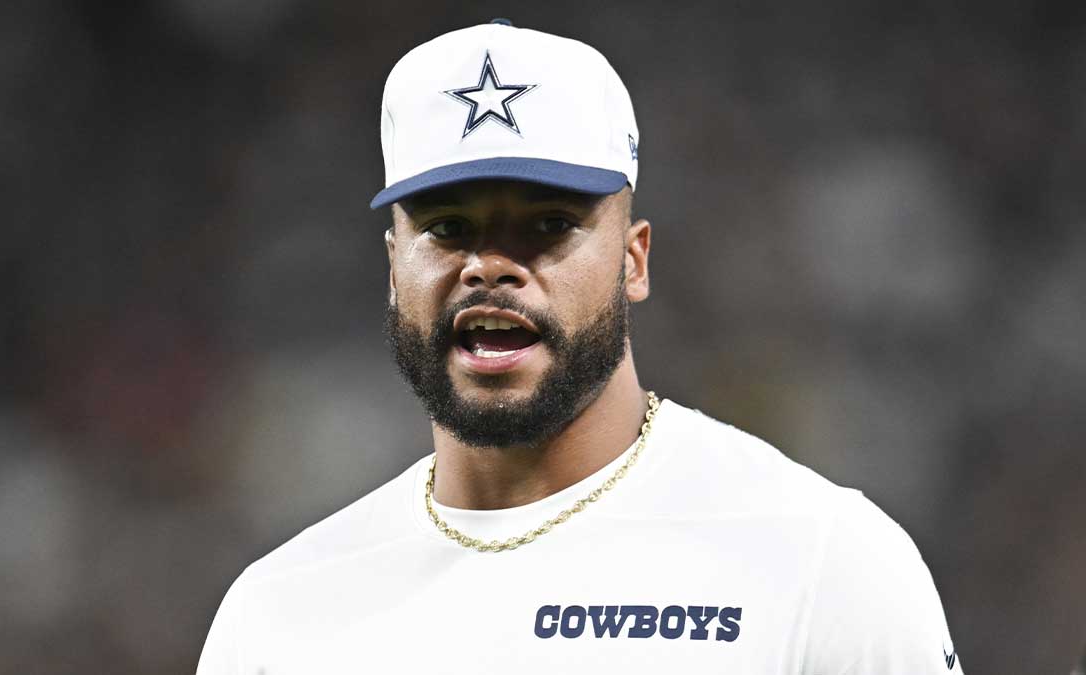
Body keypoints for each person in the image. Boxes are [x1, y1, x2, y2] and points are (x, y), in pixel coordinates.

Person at [197, 19, 963, 673]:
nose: (489, 265)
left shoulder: (823, 559)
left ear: (634, 260)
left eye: (548, 225)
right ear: (393, 267)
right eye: (446, 227)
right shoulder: (279, 616)